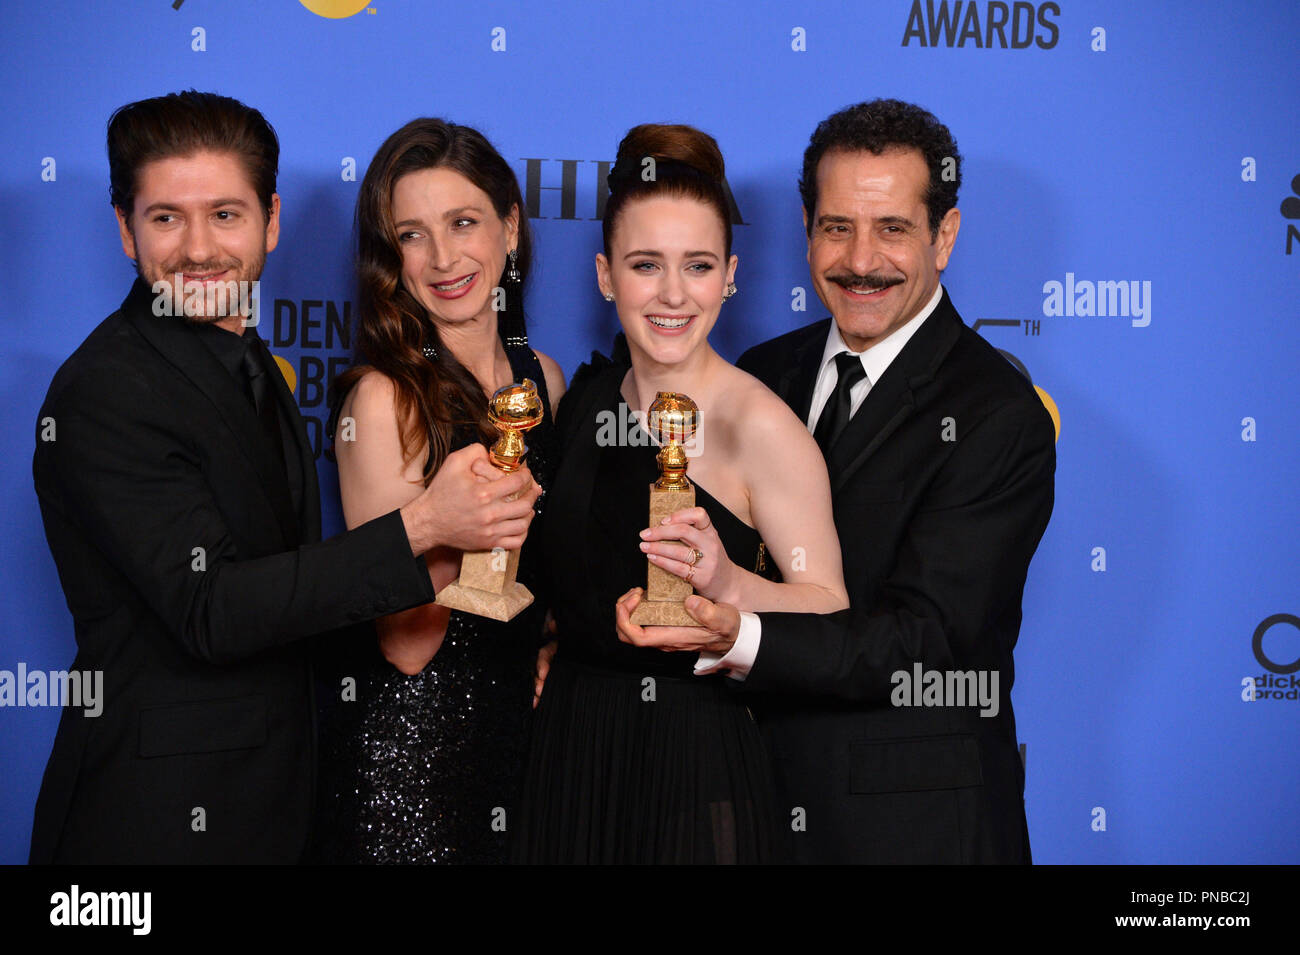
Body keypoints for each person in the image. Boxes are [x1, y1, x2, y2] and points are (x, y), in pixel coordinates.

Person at [28, 92, 541, 864]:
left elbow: (291, 590)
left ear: (269, 222)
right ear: (125, 231)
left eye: (226, 214)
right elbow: (212, 607)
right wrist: (425, 527)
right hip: (157, 827)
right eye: (166, 217)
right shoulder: (106, 390)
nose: (199, 248)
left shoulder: (249, 365)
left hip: (280, 804)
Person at [620, 99, 1056, 864]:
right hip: (746, 808)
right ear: (805, 226)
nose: (861, 260)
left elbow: (922, 641)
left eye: (892, 228)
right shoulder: (762, 374)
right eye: (836, 226)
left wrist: (741, 633)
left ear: (944, 236)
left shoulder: (997, 414)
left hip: (911, 831)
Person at [513, 124, 849, 864]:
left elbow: (828, 607)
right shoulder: (585, 401)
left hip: (694, 760)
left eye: (697, 266)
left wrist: (729, 585)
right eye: (644, 265)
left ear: (730, 273)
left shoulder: (760, 424)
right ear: (605, 275)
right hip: (570, 749)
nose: (672, 294)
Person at [310, 119, 564, 865]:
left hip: (522, 744)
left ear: (510, 228)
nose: (445, 258)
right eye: (412, 235)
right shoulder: (384, 399)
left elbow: (546, 580)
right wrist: (457, 525)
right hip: (410, 757)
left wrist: (552, 637)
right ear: (389, 256)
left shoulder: (543, 379)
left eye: (464, 223)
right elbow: (406, 637)